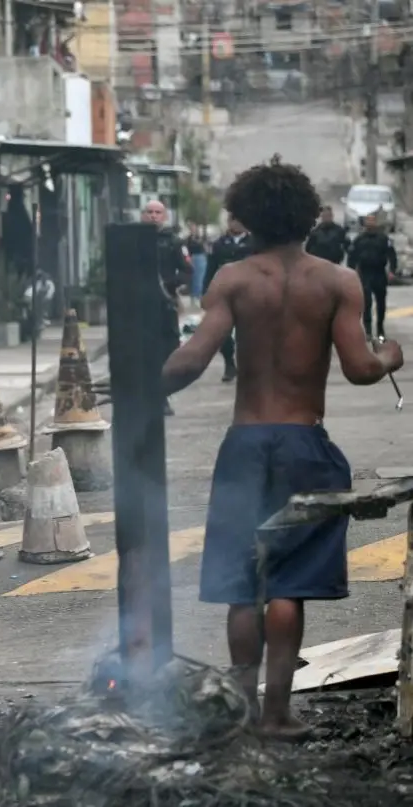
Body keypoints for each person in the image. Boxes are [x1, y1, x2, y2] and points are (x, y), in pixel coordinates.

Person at [162, 155, 403, 741]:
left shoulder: (233, 280)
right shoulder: (337, 282)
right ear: (305, 217)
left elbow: (193, 358)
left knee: (243, 587)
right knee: (288, 584)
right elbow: (362, 368)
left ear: (247, 217)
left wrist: (142, 386)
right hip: (304, 446)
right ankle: (277, 714)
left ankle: (242, 712)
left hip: (245, 445)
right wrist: (392, 356)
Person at [141, 200, 190, 416]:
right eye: (149, 212)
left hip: (165, 303)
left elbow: (187, 270)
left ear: (165, 216)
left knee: (167, 349)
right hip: (140, 304)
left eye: (157, 212)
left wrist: (172, 283)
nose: (153, 216)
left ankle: (162, 395)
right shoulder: (135, 240)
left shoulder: (174, 242)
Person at [205, 215, 253, 383]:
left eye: (239, 220)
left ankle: (249, 367)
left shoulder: (255, 243)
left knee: (250, 332)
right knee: (222, 333)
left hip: (250, 292)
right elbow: (211, 268)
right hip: (226, 292)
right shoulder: (219, 244)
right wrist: (206, 291)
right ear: (229, 222)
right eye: (233, 220)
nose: (236, 223)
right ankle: (229, 363)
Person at [348, 212, 397, 340]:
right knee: (367, 302)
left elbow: (392, 254)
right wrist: (351, 272)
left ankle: (380, 329)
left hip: (379, 273)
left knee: (381, 303)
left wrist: (392, 270)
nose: (370, 223)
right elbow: (352, 256)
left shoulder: (383, 238)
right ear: (365, 223)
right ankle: (368, 330)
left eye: (372, 220)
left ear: (376, 223)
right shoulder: (359, 239)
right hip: (365, 274)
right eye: (368, 221)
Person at [185, 220, 208, 308]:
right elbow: (187, 250)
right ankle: (194, 297)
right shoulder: (188, 239)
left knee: (200, 278)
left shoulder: (200, 238)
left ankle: (198, 297)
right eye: (190, 227)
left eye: (193, 227)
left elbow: (205, 248)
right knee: (194, 278)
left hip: (200, 257)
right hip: (193, 257)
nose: (192, 229)